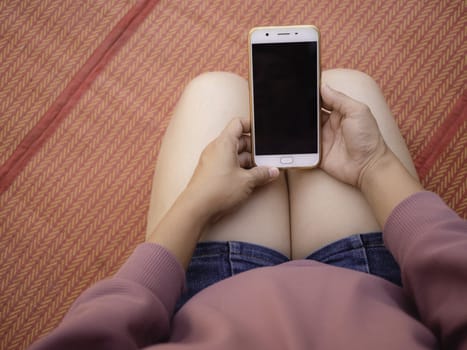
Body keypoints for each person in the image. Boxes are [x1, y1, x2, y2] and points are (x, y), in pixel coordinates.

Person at [29, 70, 467, 350]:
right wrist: (374, 166)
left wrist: (197, 201)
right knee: (347, 86)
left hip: (209, 297)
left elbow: (110, 320)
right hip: (374, 287)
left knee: (215, 89)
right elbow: (455, 275)